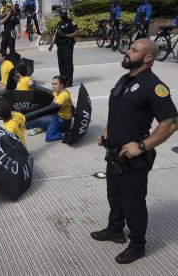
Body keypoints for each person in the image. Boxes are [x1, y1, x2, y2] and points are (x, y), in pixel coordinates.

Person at [91, 39, 178, 264]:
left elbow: (170, 123)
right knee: (115, 195)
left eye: (134, 50)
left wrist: (142, 146)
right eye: (129, 48)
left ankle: (138, 245)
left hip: (134, 159)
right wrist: (108, 131)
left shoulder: (154, 86)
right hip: (115, 154)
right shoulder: (125, 79)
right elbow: (119, 110)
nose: (128, 52)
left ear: (147, 58)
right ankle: (115, 229)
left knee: (133, 203)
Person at [52, 9, 79, 88]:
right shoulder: (59, 23)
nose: (63, 15)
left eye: (65, 14)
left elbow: (77, 32)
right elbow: (56, 34)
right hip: (59, 46)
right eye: (62, 14)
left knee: (68, 64)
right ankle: (62, 81)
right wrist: (52, 44)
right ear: (60, 15)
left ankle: (69, 82)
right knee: (61, 64)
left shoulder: (71, 22)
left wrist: (67, 35)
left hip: (67, 46)